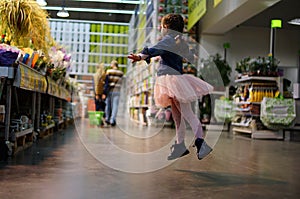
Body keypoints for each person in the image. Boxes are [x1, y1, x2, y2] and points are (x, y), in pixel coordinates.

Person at [128, 13, 214, 161]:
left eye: (161, 27)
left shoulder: (168, 39)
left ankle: (201, 142)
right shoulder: (178, 41)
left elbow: (155, 49)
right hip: (174, 80)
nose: (160, 29)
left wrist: (140, 56)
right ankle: (180, 145)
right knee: (178, 116)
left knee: (187, 114)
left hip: (172, 81)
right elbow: (188, 55)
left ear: (166, 27)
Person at [104, 60, 124, 126]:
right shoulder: (121, 73)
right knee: (115, 106)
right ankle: (112, 120)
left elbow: (106, 81)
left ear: (113, 64)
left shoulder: (109, 71)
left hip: (110, 90)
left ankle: (107, 118)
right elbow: (121, 82)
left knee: (108, 105)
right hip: (117, 91)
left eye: (111, 64)